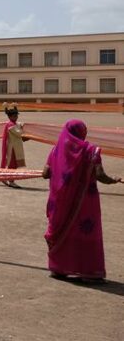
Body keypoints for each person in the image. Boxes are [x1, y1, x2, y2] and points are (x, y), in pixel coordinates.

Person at [41, 120, 122, 282]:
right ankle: (89, 270)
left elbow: (45, 173)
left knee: (61, 230)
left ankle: (59, 268)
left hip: (59, 202)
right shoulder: (90, 151)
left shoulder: (56, 150)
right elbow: (100, 175)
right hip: (84, 202)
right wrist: (114, 179)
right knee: (86, 231)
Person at [0, 103, 27, 188]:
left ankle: (6, 178)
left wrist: (22, 125)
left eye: (16, 115)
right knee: (12, 165)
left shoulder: (14, 123)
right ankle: (9, 180)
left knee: (13, 165)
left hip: (15, 148)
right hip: (12, 149)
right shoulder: (10, 125)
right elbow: (19, 133)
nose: (17, 117)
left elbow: (18, 125)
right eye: (15, 115)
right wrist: (27, 133)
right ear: (10, 116)